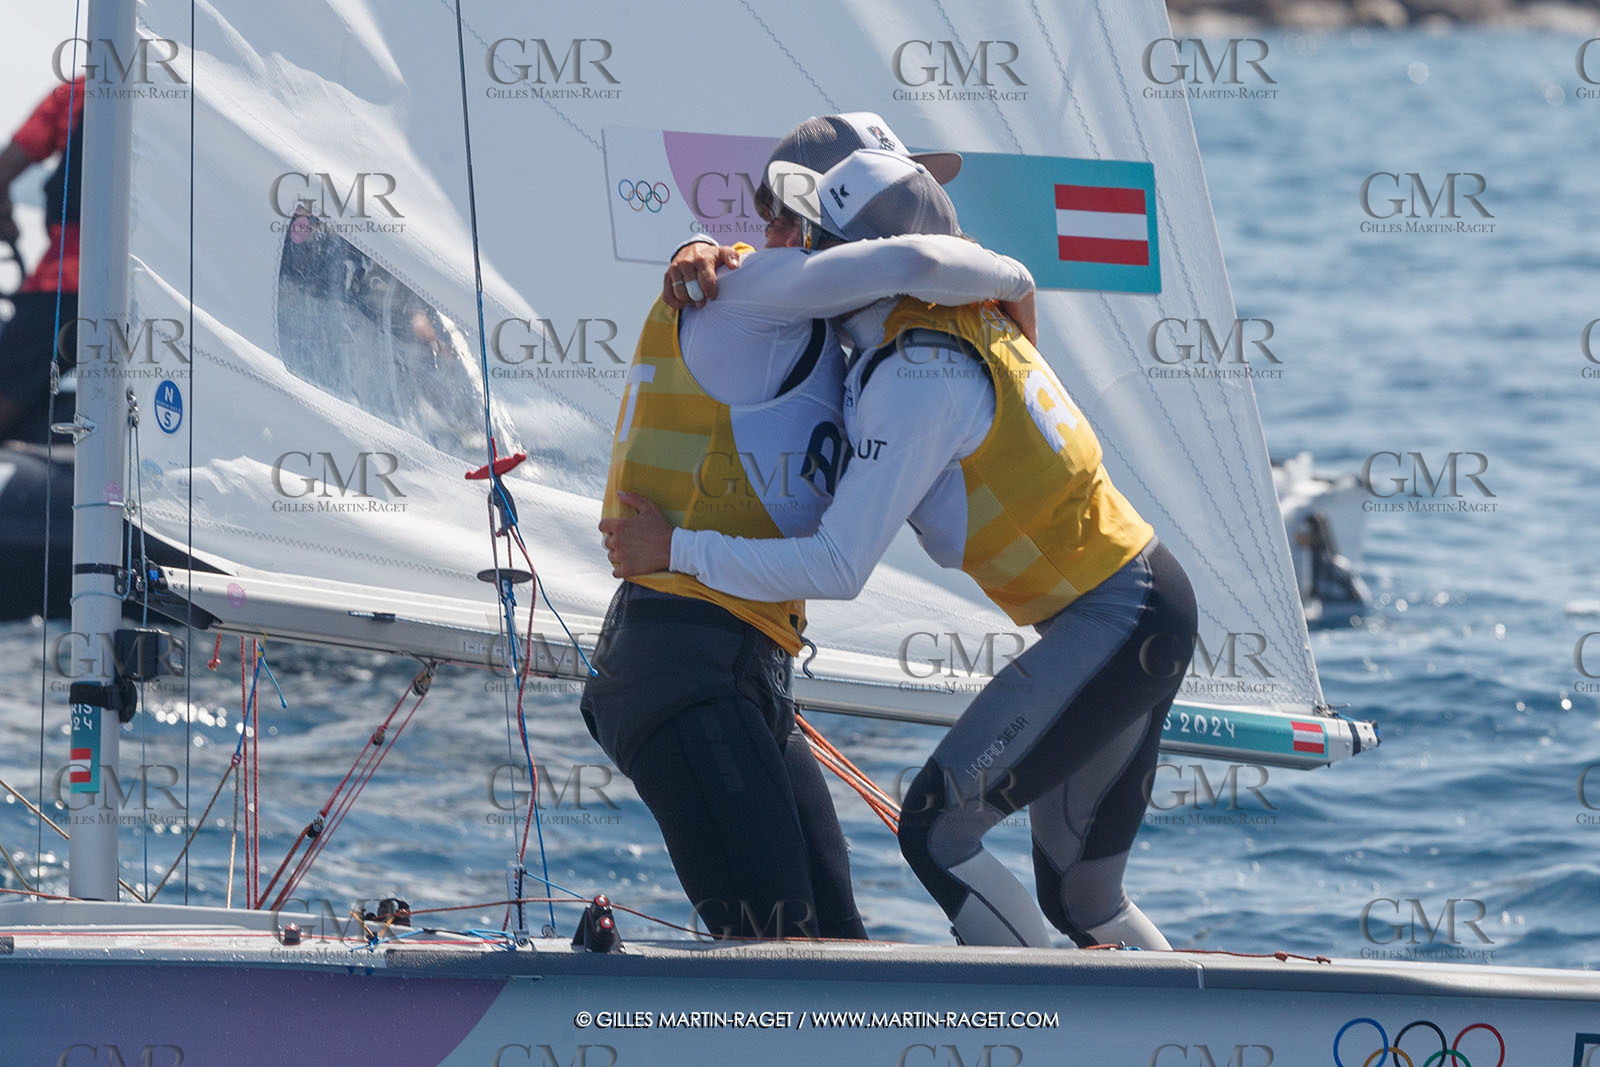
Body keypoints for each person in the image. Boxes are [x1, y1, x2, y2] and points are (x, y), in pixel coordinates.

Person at [601, 147, 1196, 950]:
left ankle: (1042, 1028)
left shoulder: (914, 370)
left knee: (935, 830)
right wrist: (697, 246)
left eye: (804, 231)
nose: (786, 244)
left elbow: (839, 565)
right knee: (1085, 898)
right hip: (1140, 605)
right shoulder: (943, 324)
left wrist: (679, 545)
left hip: (1115, 619)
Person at [581, 113, 1036, 941]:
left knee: (836, 944)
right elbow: (921, 257)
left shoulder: (850, 328)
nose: (918, 216)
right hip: (681, 664)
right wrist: (1020, 277)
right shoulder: (750, 291)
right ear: (812, 215)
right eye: (894, 200)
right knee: (781, 951)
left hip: (745, 666)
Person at [0, 78, 85, 443]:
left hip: (65, 285)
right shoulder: (190, 99)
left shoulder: (79, 90)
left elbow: (8, 165)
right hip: (151, 293)